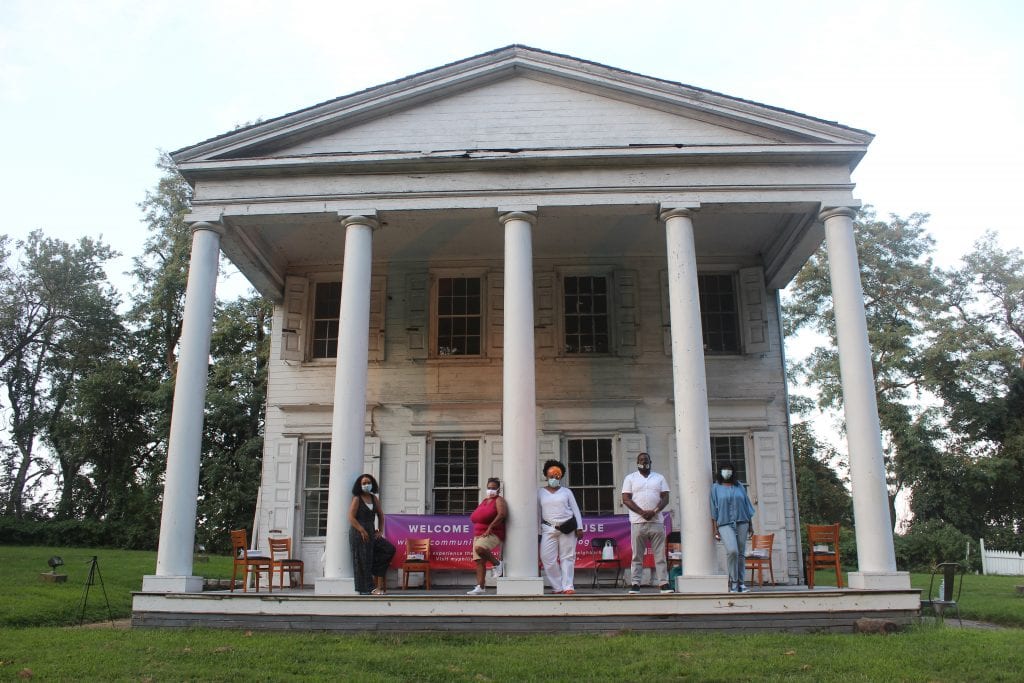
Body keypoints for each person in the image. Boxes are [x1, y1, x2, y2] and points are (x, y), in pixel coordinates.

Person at [621, 452, 672, 595]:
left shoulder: (659, 477)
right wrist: (642, 512)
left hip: (656, 522)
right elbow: (626, 499)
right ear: (637, 462)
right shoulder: (630, 478)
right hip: (638, 522)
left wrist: (654, 511)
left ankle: (664, 583)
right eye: (641, 460)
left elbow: (665, 498)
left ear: (651, 461)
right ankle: (636, 583)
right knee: (637, 555)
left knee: (659, 555)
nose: (644, 462)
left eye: (646, 460)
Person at [537, 459, 584, 594]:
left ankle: (568, 586)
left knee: (567, 557)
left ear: (561, 476)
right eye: (551, 475)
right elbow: (538, 513)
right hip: (548, 528)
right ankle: (557, 586)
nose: (554, 478)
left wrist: (579, 527)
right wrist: (538, 531)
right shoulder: (540, 493)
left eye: (557, 475)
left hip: (567, 528)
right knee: (547, 559)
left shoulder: (566, 492)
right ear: (546, 475)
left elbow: (575, 510)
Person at [710, 461, 756, 593]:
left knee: (741, 554)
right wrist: (715, 528)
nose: (727, 471)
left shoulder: (739, 486)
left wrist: (750, 525)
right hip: (724, 523)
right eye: (724, 469)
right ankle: (733, 582)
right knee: (732, 551)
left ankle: (741, 583)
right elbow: (713, 509)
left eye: (729, 469)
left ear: (733, 472)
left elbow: (747, 505)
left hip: (743, 521)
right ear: (720, 471)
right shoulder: (715, 488)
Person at [347, 473, 396, 595]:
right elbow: (351, 517)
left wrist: (380, 530)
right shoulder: (357, 498)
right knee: (363, 559)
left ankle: (376, 569)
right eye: (363, 483)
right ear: (360, 485)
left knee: (389, 549)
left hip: (371, 530)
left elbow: (380, 515)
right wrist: (361, 530)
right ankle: (370, 588)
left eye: (368, 482)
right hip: (359, 532)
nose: (366, 485)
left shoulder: (374, 498)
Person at [466, 477, 508, 595]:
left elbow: (502, 514)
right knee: (479, 561)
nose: (491, 490)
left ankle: (497, 564)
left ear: (499, 490)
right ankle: (480, 586)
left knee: (480, 548)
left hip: (492, 533)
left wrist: (490, 527)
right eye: (489, 488)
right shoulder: (485, 501)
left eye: (493, 488)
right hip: (478, 533)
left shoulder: (499, 500)